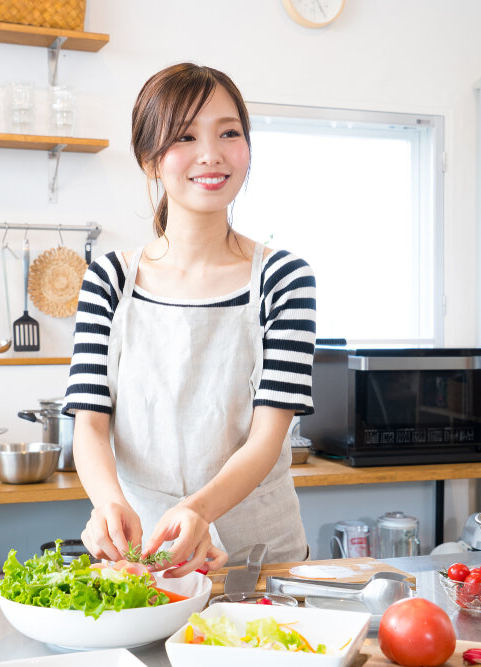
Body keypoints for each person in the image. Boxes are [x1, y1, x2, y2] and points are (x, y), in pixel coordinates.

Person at [62, 63, 317, 577]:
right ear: (148, 159)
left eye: (229, 133)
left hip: (259, 556)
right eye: (184, 136)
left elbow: (269, 436)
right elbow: (89, 421)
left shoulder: (284, 277)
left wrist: (199, 510)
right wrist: (108, 502)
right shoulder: (110, 278)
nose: (212, 154)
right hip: (146, 552)